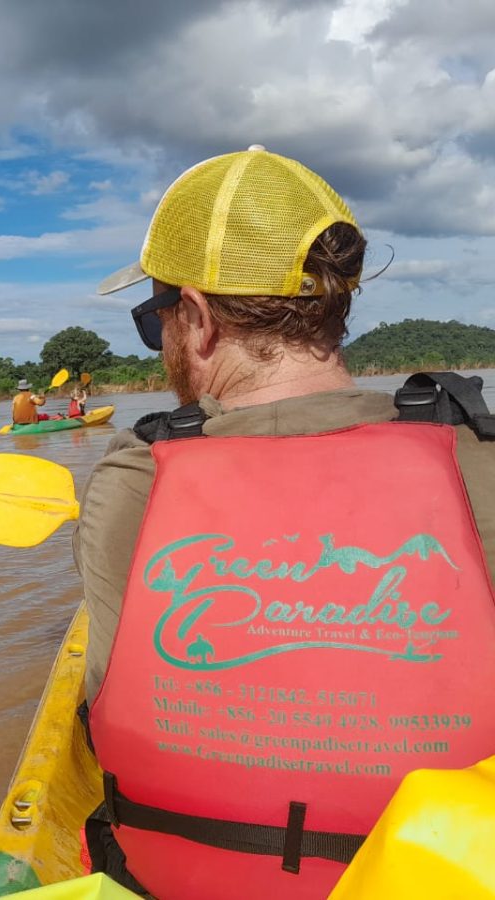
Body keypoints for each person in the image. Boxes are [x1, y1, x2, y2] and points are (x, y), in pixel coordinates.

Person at [73, 146, 495, 899]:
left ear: (196, 320)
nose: (162, 337)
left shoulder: (133, 480)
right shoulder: (479, 469)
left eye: (154, 319)